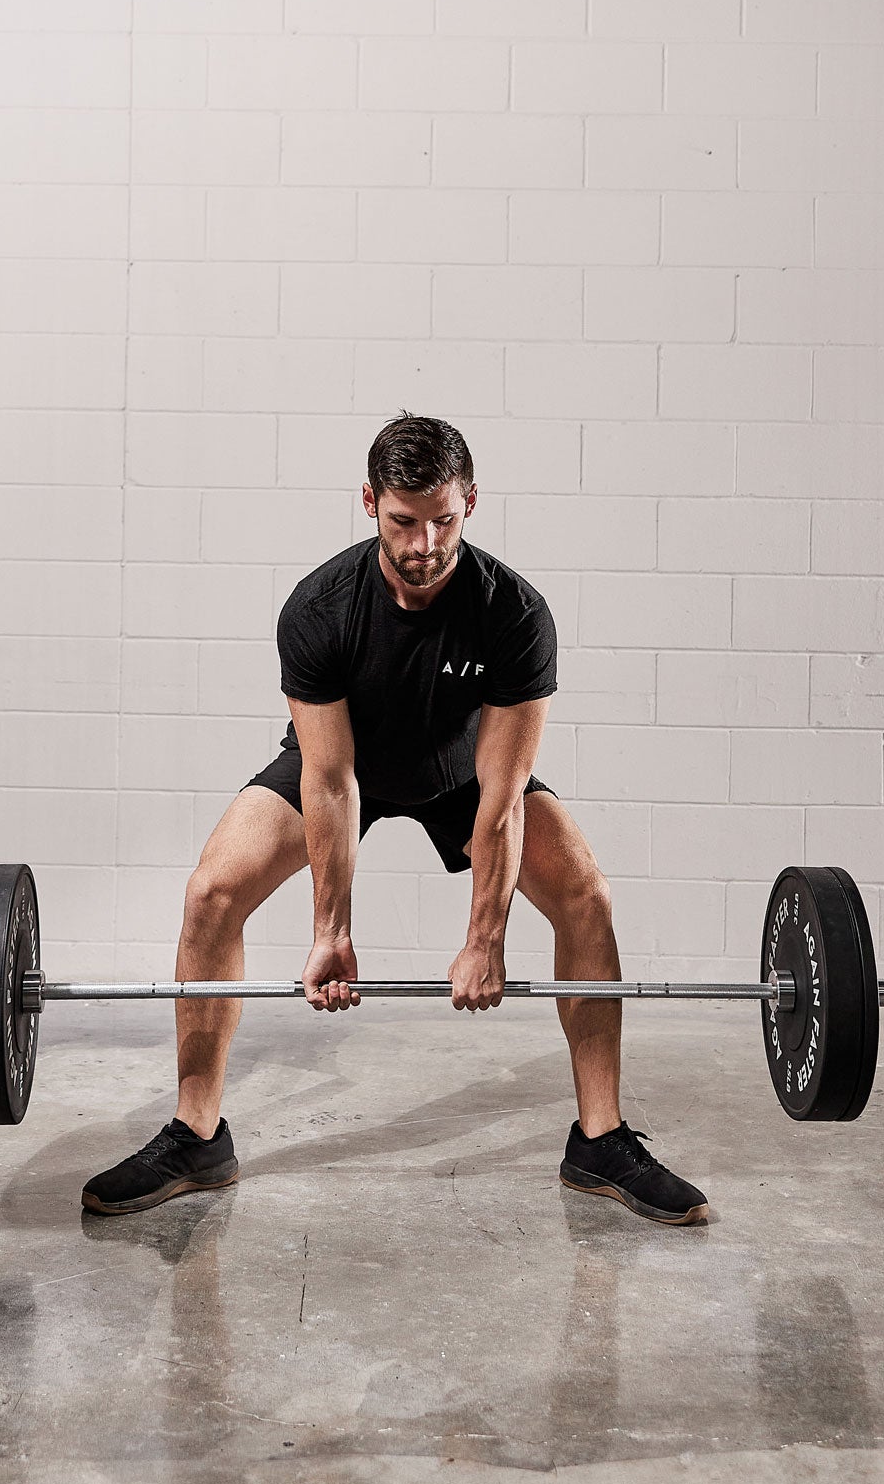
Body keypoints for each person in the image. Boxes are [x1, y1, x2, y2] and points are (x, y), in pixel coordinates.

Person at [82, 413, 708, 1227]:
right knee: (211, 891)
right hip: (344, 767)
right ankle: (198, 1135)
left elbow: (502, 793)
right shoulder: (320, 608)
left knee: (586, 891)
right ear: (370, 503)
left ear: (472, 502)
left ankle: (601, 1139)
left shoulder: (514, 613)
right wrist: (330, 931)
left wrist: (485, 939)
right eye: (404, 522)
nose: (424, 544)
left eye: (443, 519)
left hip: (464, 775)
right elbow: (333, 779)